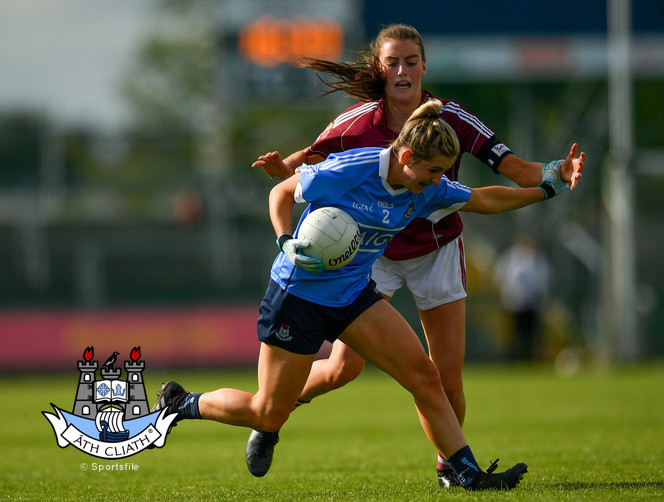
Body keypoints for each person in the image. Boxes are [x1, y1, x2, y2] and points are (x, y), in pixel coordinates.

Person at [153, 100, 582, 490]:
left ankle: (468, 474)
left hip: (354, 296)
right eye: (435, 171)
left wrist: (549, 188)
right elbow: (280, 192)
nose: (439, 181)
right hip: (297, 297)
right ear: (407, 157)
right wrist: (285, 240)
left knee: (424, 376)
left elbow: (484, 199)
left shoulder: (427, 188)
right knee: (267, 412)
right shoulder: (351, 169)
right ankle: (181, 402)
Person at [253, 23, 584, 488]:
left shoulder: (453, 117)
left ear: (424, 66)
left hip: (437, 250)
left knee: (445, 382)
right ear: (379, 67)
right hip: (372, 253)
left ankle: (451, 469)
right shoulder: (357, 122)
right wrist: (281, 168)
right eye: (392, 62)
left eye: (411, 61)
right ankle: (269, 417)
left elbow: (510, 170)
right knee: (342, 370)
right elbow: (307, 160)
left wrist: (553, 174)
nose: (402, 70)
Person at [494, 233, 551, 361]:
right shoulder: (509, 257)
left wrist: (541, 297)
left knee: (531, 333)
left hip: (532, 303)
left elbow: (544, 278)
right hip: (513, 303)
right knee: (514, 333)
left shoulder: (537, 258)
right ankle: (512, 358)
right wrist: (506, 293)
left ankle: (531, 357)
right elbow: (499, 275)